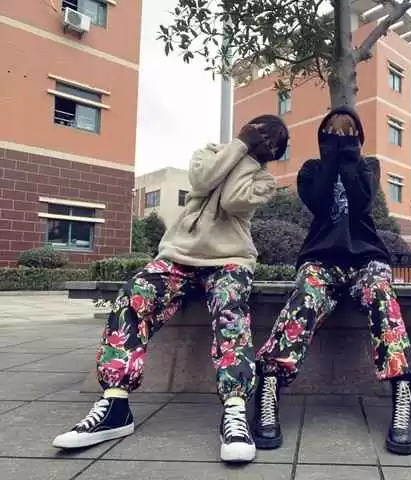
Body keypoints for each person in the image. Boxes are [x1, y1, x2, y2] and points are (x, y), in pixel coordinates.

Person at [51, 115, 289, 463]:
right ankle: (115, 406)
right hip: (179, 255)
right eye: (262, 133)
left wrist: (249, 158)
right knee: (134, 294)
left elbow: (231, 201)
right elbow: (204, 180)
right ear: (246, 130)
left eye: (273, 142)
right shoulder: (209, 152)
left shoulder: (264, 180)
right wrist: (239, 145)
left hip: (231, 259)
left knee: (230, 307)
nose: (265, 141)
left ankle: (235, 409)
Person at [252, 107, 411, 456]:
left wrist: (349, 154)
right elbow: (318, 201)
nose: (340, 137)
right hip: (321, 258)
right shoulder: (310, 170)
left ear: (359, 139)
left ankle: (403, 389)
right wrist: (332, 154)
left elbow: (361, 204)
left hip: (366, 258)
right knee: (305, 297)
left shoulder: (368, 165)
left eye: (348, 132)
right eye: (332, 132)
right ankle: (269, 384)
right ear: (322, 138)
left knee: (381, 295)